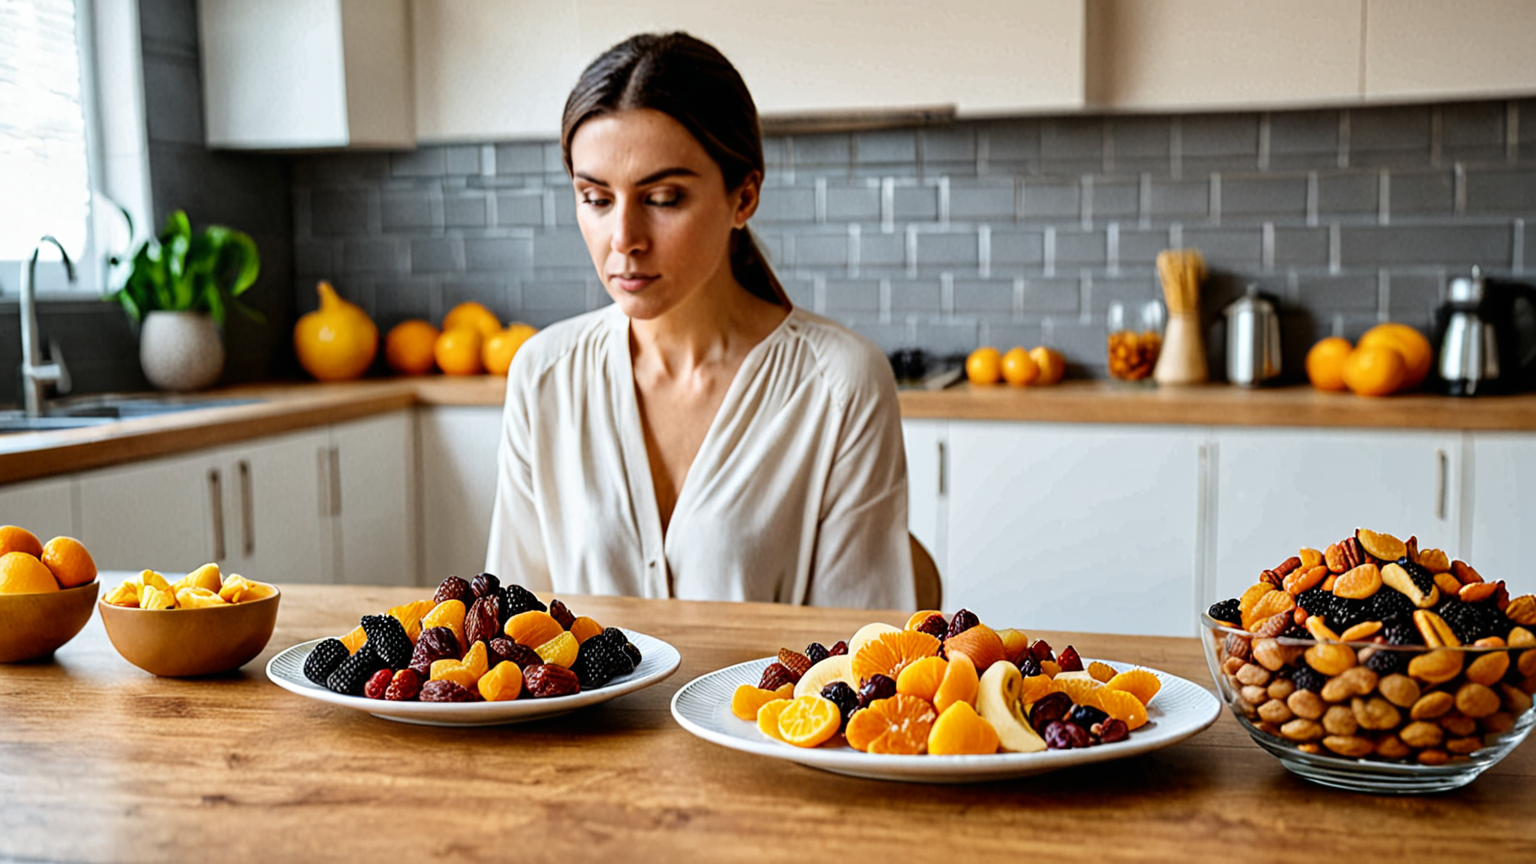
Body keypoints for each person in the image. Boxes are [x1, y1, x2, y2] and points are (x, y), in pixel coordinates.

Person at [485, 32, 914, 608]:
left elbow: (851, 659)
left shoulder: (841, 385)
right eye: (596, 198)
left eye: (662, 198)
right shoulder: (543, 375)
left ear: (744, 197)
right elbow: (513, 638)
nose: (625, 239)